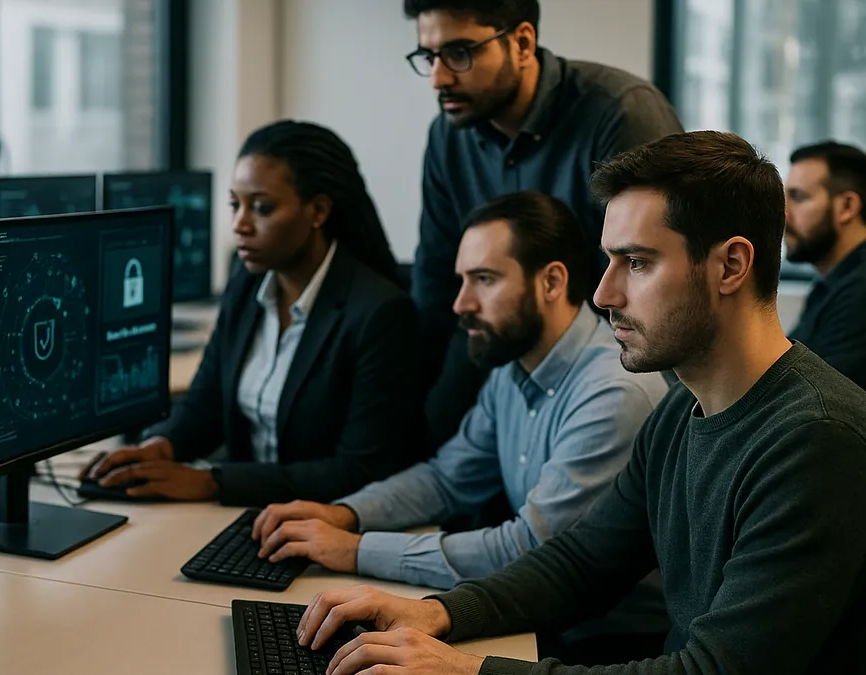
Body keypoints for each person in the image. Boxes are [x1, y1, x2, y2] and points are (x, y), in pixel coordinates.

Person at [293, 130, 866, 675]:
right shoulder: (681, 410)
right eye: (610, 260)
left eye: (637, 263)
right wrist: (439, 612)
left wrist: (467, 669)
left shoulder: (815, 439)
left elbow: (714, 671)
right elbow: (581, 564)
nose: (603, 293)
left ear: (731, 266)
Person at [250, 191, 669, 659]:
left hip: (606, 644)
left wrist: (353, 549)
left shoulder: (612, 393)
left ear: (551, 281)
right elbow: (447, 479)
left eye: (484, 280)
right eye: (461, 281)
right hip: (534, 620)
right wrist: (343, 514)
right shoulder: (514, 364)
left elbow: (527, 547)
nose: (460, 303)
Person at [83, 120, 426, 507]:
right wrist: (163, 445)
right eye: (235, 204)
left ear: (318, 211)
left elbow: (358, 471)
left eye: (261, 208)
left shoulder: (380, 313)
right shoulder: (246, 285)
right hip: (246, 517)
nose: (239, 225)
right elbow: (206, 400)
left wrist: (213, 482)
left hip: (326, 523)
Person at [403, 0, 683, 448]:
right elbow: (436, 274)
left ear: (522, 42)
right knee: (423, 435)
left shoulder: (619, 113)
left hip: (607, 356)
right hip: (503, 346)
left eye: (460, 53)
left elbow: (651, 272)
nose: (439, 78)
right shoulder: (447, 134)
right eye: (429, 56)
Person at [784, 141, 866, 389]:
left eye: (797, 197)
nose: (783, 213)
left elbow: (810, 393)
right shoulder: (832, 282)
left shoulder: (860, 292)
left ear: (847, 207)